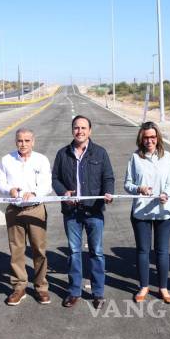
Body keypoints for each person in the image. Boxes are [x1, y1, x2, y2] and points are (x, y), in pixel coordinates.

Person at [52, 115, 114, 309]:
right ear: (72, 130)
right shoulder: (63, 154)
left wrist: (108, 192)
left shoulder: (100, 153)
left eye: (83, 128)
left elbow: (108, 177)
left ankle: (98, 293)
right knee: (74, 252)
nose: (79, 131)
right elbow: (55, 179)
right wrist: (64, 193)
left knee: (97, 252)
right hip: (71, 212)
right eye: (76, 128)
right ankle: (74, 292)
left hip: (94, 210)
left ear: (90, 131)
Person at [0, 127, 52, 306]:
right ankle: (19, 287)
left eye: (27, 140)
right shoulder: (6, 160)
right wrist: (9, 190)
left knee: (39, 250)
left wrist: (35, 193)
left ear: (33, 142)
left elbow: (47, 185)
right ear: (16, 141)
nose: (23, 144)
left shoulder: (41, 160)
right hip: (14, 210)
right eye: (20, 140)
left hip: (35, 209)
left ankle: (41, 287)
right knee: (17, 250)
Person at [124, 122, 170, 304]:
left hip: (163, 211)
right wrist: (139, 189)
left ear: (158, 138)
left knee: (162, 251)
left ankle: (163, 287)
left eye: (152, 137)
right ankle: (144, 286)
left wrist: (166, 194)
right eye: (146, 137)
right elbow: (128, 184)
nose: (149, 141)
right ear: (141, 139)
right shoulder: (135, 158)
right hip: (141, 212)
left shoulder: (167, 157)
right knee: (143, 251)